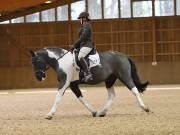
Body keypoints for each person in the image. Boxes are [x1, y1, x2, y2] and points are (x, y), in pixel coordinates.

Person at [71, 12, 95, 82]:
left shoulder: (86, 25)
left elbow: (83, 37)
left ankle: (88, 74)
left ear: (84, 19)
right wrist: (76, 47)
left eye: (80, 19)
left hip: (87, 45)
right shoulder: (84, 25)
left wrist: (75, 45)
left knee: (80, 56)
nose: (79, 20)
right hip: (83, 45)